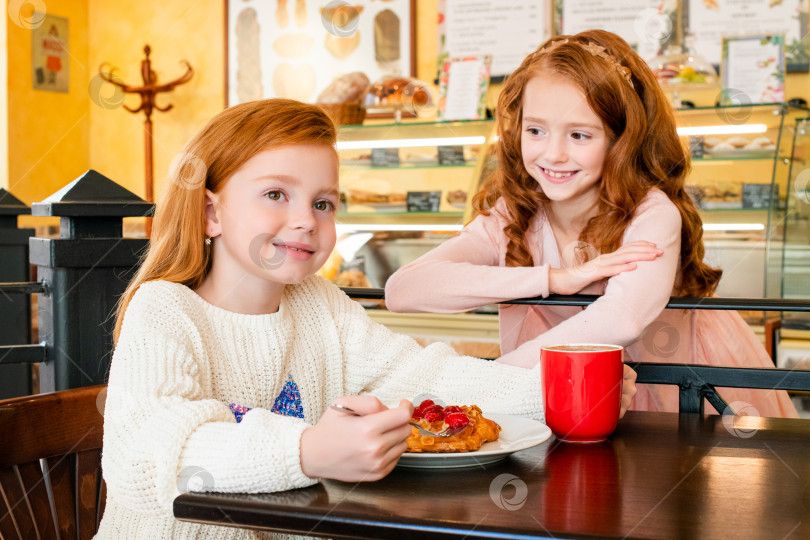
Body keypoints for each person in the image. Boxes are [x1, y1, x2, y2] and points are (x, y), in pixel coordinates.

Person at [94, 98, 638, 539]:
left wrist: (552, 390)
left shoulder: (319, 304)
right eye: (276, 194)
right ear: (212, 212)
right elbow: (143, 460)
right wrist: (306, 450)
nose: (306, 220)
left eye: (325, 202)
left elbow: (426, 378)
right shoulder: (166, 309)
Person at [385, 29, 797, 419]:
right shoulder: (515, 213)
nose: (553, 154)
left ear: (622, 140)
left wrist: (488, 382)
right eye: (535, 130)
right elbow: (403, 290)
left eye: (579, 135)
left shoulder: (652, 214)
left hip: (683, 390)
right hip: (572, 398)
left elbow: (620, 318)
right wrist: (552, 278)